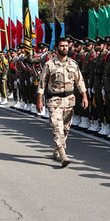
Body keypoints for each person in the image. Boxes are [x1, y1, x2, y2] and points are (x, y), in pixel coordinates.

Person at [36, 37, 88, 167]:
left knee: (65, 128)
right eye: (62, 46)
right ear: (56, 48)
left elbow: (79, 82)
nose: (64, 48)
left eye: (66, 46)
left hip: (69, 100)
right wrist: (39, 100)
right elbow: (42, 84)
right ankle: (63, 154)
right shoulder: (50, 64)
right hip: (54, 100)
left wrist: (84, 97)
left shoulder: (73, 64)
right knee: (57, 126)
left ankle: (57, 149)